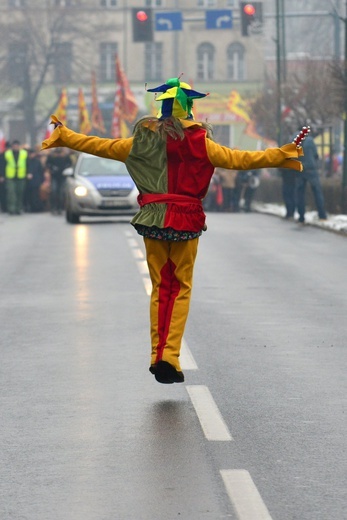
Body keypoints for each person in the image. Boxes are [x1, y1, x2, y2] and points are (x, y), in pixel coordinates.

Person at [42, 77, 304, 384]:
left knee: (161, 289)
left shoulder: (140, 141)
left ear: (162, 109)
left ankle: (157, 355)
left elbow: (98, 145)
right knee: (181, 288)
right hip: (186, 220)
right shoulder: (202, 144)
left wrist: (65, 135)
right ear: (190, 109)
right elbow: (242, 159)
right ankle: (170, 355)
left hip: (152, 219)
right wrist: (282, 154)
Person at [296, 133, 327, 223]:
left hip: (300, 169)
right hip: (311, 169)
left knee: (300, 193)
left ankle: (301, 216)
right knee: (317, 191)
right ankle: (322, 215)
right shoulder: (310, 140)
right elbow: (316, 154)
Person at [3, 140, 31, 215]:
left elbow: (28, 164)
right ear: (12, 146)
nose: (15, 147)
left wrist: (28, 173)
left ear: (19, 146)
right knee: (11, 193)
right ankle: (11, 209)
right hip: (10, 177)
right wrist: (2, 175)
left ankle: (18, 208)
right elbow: (2, 165)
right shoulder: (7, 154)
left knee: (20, 193)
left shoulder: (24, 153)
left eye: (17, 145)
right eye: (14, 146)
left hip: (21, 176)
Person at [45, 148, 72, 214]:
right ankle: (54, 207)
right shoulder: (51, 157)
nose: (58, 154)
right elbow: (48, 164)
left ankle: (60, 207)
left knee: (61, 193)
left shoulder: (66, 157)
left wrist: (65, 168)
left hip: (62, 176)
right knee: (54, 191)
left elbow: (69, 164)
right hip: (54, 176)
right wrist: (52, 168)